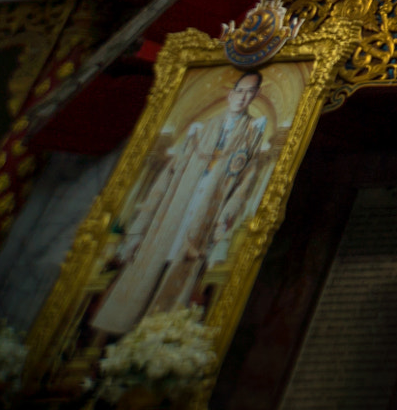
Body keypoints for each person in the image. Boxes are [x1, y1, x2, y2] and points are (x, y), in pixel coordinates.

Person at [92, 69, 274, 339]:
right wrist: (139, 228)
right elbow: (168, 176)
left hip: (203, 216)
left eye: (250, 93)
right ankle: (118, 335)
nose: (243, 98)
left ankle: (155, 339)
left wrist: (226, 218)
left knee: (177, 278)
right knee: (146, 270)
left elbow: (243, 185)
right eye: (240, 91)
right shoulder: (203, 128)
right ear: (231, 93)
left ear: (255, 96)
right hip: (174, 210)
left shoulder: (252, 134)